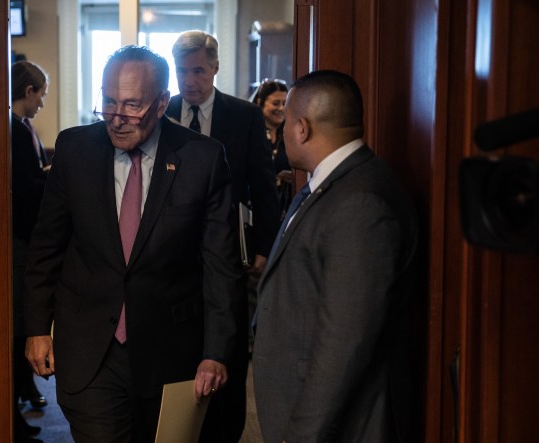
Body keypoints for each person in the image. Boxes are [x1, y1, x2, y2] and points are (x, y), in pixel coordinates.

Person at [23, 45, 244, 443]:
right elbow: (47, 245)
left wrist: (217, 351)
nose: (117, 118)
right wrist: (37, 327)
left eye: (131, 105)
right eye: (108, 102)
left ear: (161, 104)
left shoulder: (202, 159)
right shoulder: (75, 149)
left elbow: (220, 265)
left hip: (170, 350)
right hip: (90, 348)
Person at [252, 70, 419, 442]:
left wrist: (301, 434)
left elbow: (344, 342)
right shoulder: (332, 183)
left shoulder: (360, 203)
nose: (281, 132)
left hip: (340, 426)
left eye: (286, 122)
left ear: (302, 128)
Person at [166, 30, 281, 442]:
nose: (189, 80)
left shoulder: (243, 116)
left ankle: (225, 430)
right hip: (171, 251)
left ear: (215, 67)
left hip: (229, 249)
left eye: (198, 70)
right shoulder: (164, 111)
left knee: (226, 342)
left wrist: (266, 248)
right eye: (182, 71)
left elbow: (264, 189)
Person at [11, 59, 50, 443]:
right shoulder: (15, 131)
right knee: (18, 325)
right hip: (19, 240)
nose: (41, 104)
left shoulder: (22, 129)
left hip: (22, 238)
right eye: (40, 95)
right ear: (28, 91)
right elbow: (23, 189)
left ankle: (23, 397)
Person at [250, 79, 294, 212]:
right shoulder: (250, 134)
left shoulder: (293, 135)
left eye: (285, 103)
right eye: (276, 103)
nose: (281, 108)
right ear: (260, 102)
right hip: (257, 207)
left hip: (287, 206)